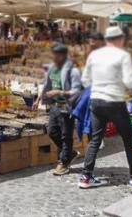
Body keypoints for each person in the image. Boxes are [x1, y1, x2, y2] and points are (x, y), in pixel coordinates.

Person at [79, 26, 132, 189]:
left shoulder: (94, 55)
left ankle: (85, 176)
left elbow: (84, 80)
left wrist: (99, 84)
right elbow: (129, 82)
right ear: (120, 39)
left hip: (96, 101)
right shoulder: (123, 55)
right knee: (128, 138)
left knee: (95, 139)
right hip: (114, 101)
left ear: (106, 39)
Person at [37, 44, 82, 176]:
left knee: (66, 136)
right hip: (55, 106)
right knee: (51, 131)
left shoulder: (73, 71)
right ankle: (70, 153)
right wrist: (39, 98)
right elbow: (47, 84)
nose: (54, 58)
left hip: (67, 107)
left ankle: (64, 163)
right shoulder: (52, 69)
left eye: (57, 55)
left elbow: (77, 91)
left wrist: (60, 92)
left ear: (63, 56)